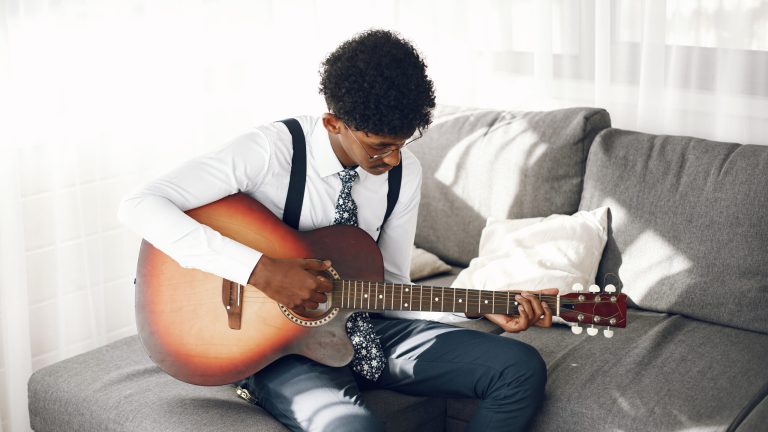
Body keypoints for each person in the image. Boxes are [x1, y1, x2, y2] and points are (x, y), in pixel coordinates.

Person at [119, 29, 555, 432]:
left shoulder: (404, 175)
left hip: (367, 327)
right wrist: (261, 270)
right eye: (380, 145)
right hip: (277, 347)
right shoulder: (272, 151)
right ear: (334, 124)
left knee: (519, 367)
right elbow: (140, 204)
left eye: (404, 143)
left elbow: (391, 287)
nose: (394, 160)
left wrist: (477, 307)